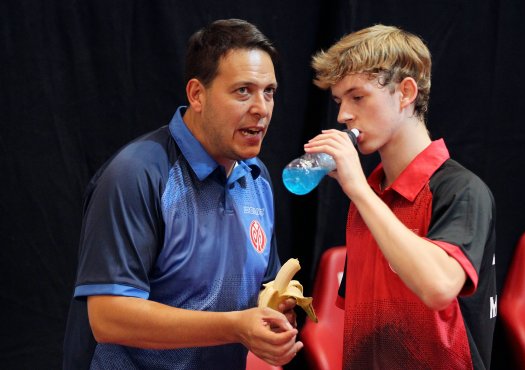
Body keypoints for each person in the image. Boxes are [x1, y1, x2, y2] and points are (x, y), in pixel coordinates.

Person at [63, 18, 302, 369]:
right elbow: (108, 316)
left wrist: (276, 316)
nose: (261, 108)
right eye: (242, 91)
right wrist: (236, 327)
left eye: (269, 91)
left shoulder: (257, 178)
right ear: (196, 95)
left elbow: (265, 288)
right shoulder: (137, 174)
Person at [306, 25, 497, 369]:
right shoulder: (371, 195)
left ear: (406, 92)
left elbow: (438, 287)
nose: (342, 115)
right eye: (339, 100)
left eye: (357, 96)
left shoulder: (462, 191)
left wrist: (360, 191)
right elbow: (373, 329)